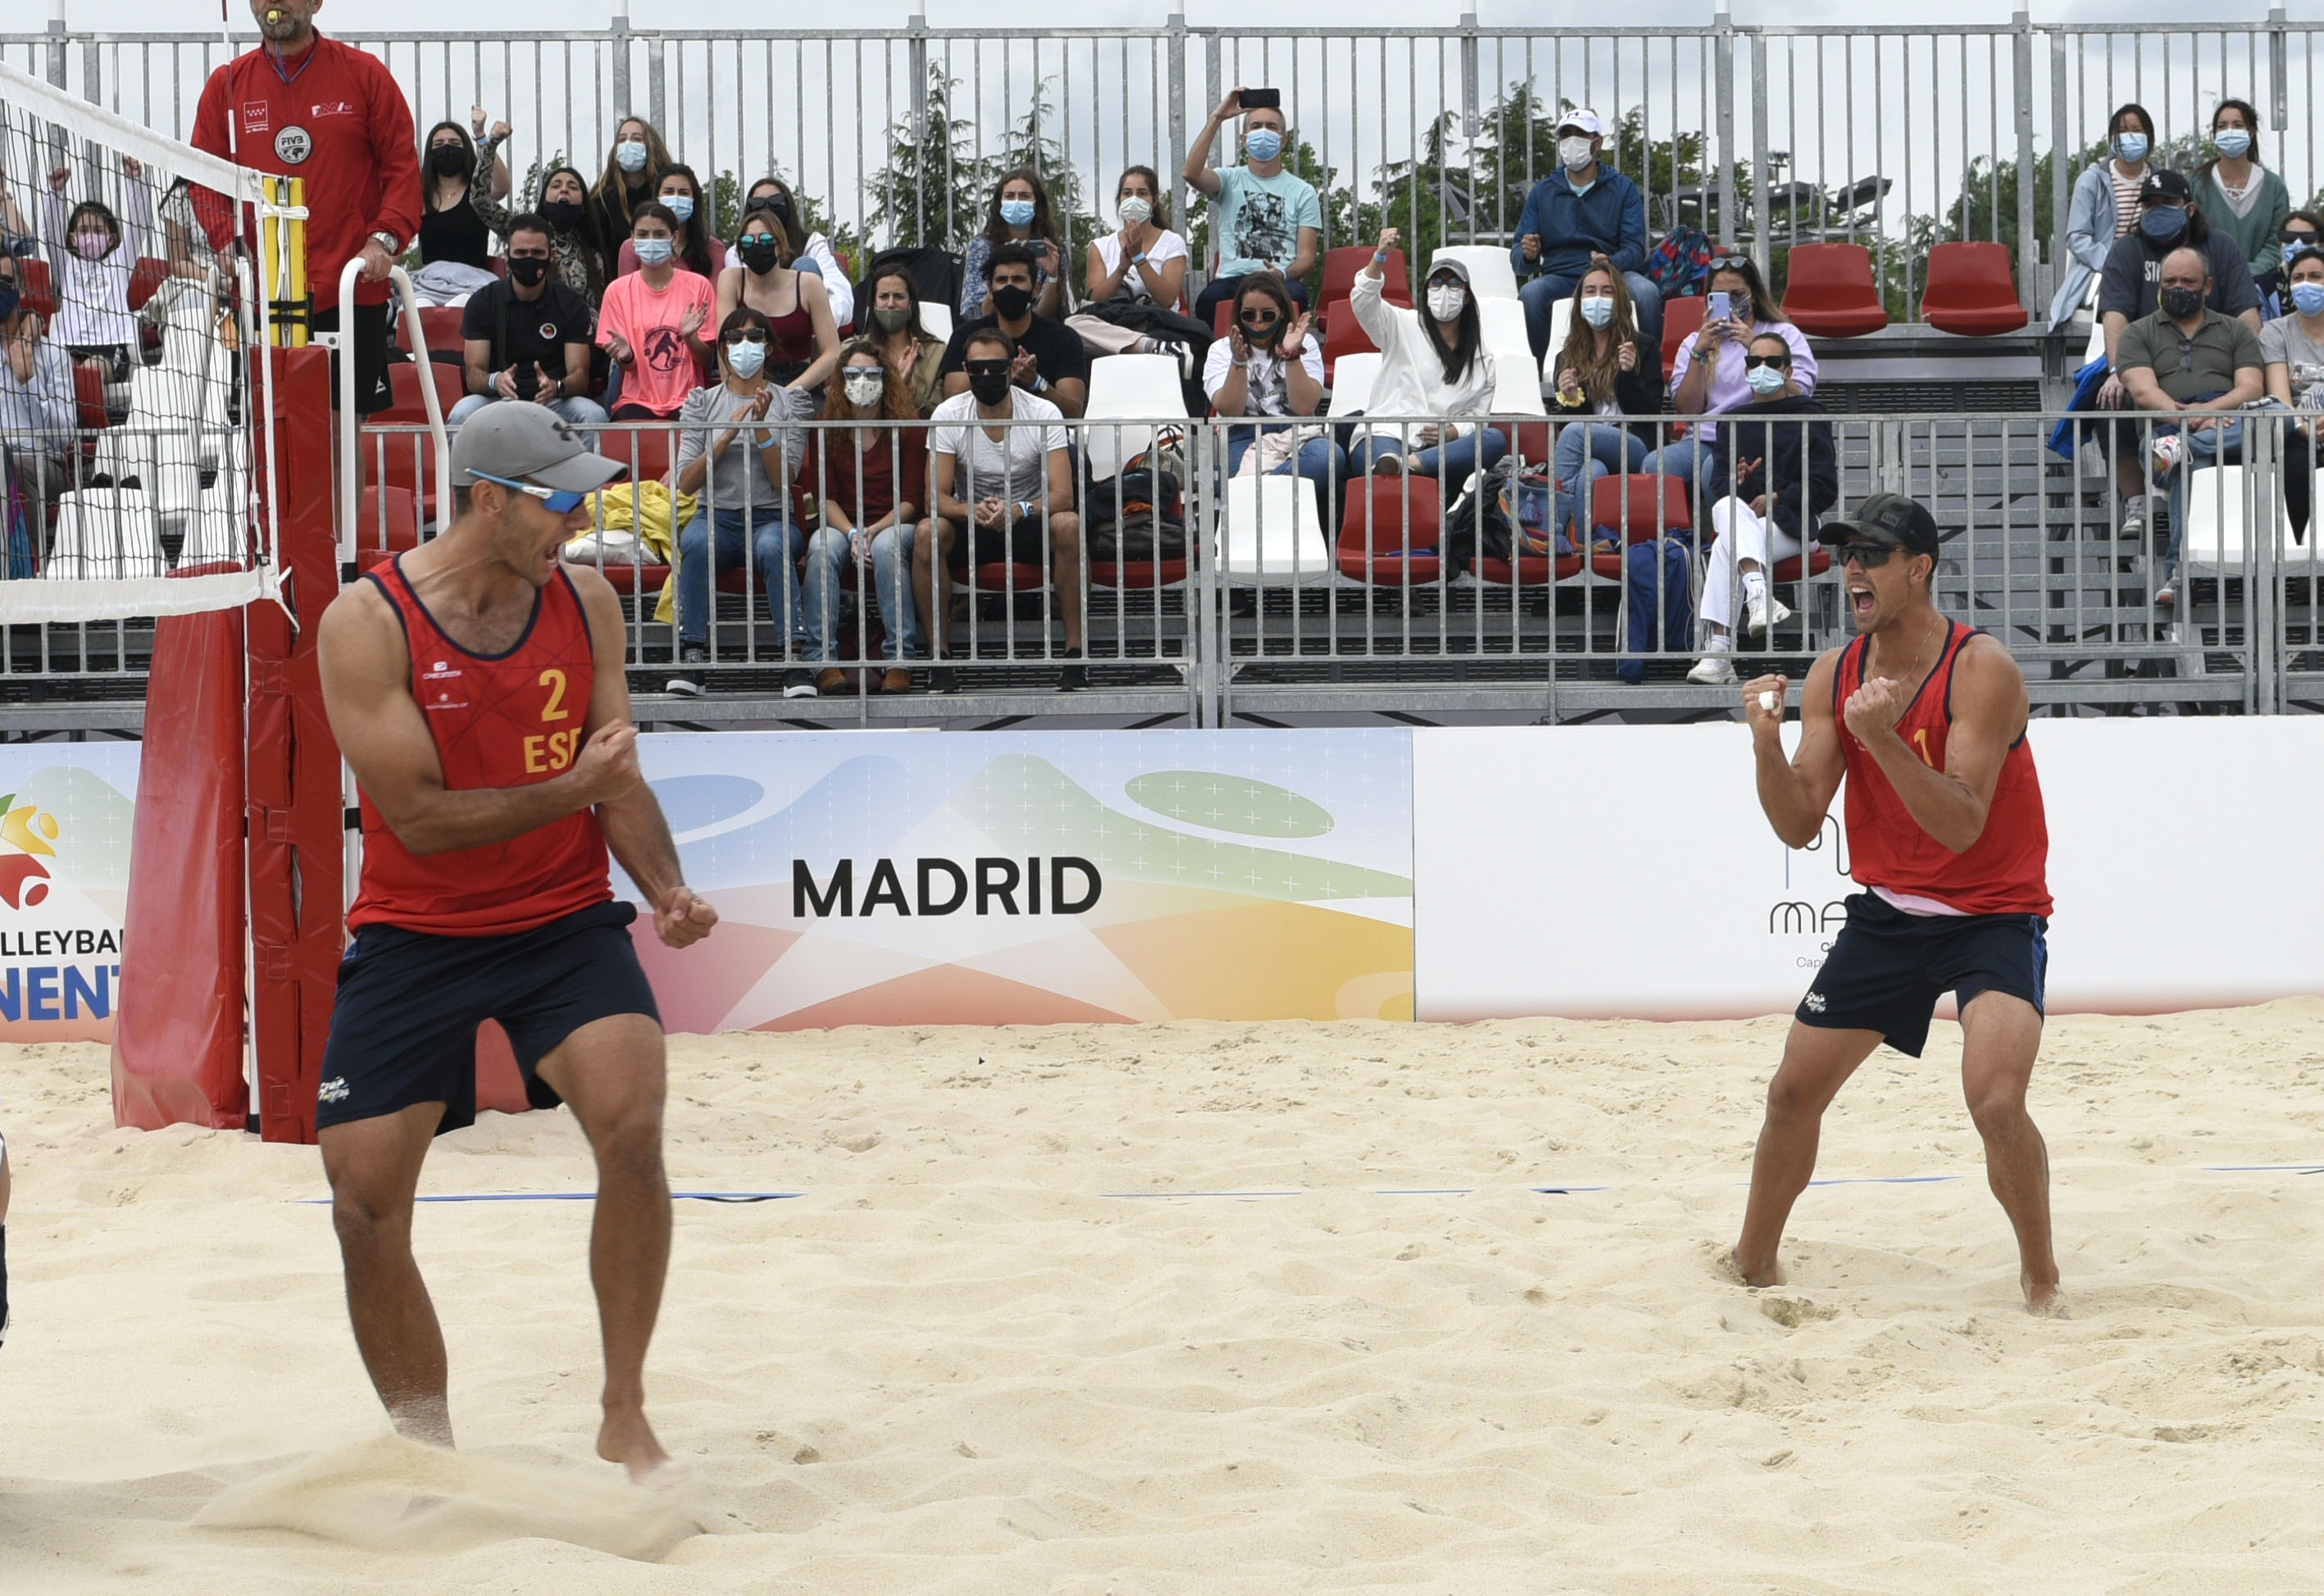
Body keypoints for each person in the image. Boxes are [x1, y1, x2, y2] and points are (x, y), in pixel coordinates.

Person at [312, 402, 718, 1482]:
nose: (580, 520)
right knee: (361, 1202)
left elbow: (614, 775)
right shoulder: (366, 621)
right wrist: (575, 789)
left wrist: (667, 889)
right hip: (415, 930)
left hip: (559, 918)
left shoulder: (585, 602)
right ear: (488, 500)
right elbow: (420, 818)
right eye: (560, 502)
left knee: (632, 1123)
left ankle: (624, 1412)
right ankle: (426, 1452)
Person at [1730, 491, 2059, 1314]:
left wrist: (1878, 737)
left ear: (1919, 569)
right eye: (1845, 555)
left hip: (1993, 912)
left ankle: (2041, 1279)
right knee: (1790, 1095)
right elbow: (1799, 823)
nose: (1852, 569)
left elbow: (1962, 825)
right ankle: (1752, 1266)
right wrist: (1766, 745)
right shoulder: (1835, 672)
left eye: (1871, 555)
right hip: (1889, 914)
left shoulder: (1981, 669)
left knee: (1995, 1100)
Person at [189, 0, 421, 418]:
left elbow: (403, 169)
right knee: (270, 433)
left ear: (316, 3)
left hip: (350, 287)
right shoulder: (227, 84)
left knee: (340, 432)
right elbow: (203, 180)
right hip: (264, 292)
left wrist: (382, 241)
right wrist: (225, 241)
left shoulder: (364, 74)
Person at [914, 325, 1085, 689]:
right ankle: (938, 658)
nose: (987, 375)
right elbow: (933, 498)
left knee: (1069, 523)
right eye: (977, 369)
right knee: (928, 532)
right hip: (973, 521)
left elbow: (1063, 496)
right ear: (965, 369)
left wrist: (1019, 509)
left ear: (1012, 369)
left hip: (1027, 519)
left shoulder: (1043, 411)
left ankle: (1075, 654)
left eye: (996, 367)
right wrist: (971, 510)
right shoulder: (949, 414)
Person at [2093, 171, 2260, 539]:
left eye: (2166, 203)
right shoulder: (2128, 250)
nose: (2156, 211)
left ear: (2189, 208)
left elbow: (2248, 315)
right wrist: (2119, 369)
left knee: (2268, 411)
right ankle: (2136, 500)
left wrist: (2248, 363)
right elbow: (2115, 315)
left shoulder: (2221, 247)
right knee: (2110, 394)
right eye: (2149, 205)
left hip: (2218, 367)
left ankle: (2181, 448)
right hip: (2150, 364)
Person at [666, 307, 821, 700]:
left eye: (754, 337)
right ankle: (692, 656)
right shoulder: (702, 402)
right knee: (695, 542)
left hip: (771, 517)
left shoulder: (792, 402)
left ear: (768, 348)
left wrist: (762, 428)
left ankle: (793, 660)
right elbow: (686, 483)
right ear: (722, 348)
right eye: (735, 338)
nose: (744, 345)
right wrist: (726, 435)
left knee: (773, 547)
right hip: (716, 517)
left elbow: (783, 479)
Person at [2115, 246, 2266, 606]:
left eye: (2188, 281)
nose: (2178, 288)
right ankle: (2183, 570)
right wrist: (2192, 421)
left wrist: (2209, 414)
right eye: (2169, 282)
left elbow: (2251, 388)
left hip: (2228, 430)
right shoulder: (2137, 333)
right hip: (2161, 440)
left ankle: (2180, 576)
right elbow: (2144, 392)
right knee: (2191, 465)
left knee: (2273, 416)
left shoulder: (2236, 331)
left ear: (2208, 286)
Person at [1687, 333, 1837, 684]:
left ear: (1788, 370)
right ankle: (1758, 594)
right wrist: (1741, 484)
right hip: (1747, 519)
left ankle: (1719, 652)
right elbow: (1720, 486)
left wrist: (1777, 498)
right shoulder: (1733, 421)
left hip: (1796, 522)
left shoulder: (1810, 415)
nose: (1762, 368)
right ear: (1746, 369)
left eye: (1772, 362)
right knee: (1727, 507)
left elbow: (1824, 488)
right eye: (1755, 362)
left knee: (1726, 544)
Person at [801, 342, 930, 693]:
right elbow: (825, 498)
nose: (862, 381)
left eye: (872, 374)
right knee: (821, 547)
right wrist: (853, 533)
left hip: (894, 523)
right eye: (852, 374)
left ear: (886, 379)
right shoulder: (826, 427)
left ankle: (899, 658)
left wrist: (872, 530)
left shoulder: (908, 427)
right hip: (844, 523)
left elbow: (912, 500)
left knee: (887, 547)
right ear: (840, 381)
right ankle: (821, 660)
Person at [1649, 253, 1817, 501]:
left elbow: (1800, 396)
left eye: (1737, 294)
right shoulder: (1694, 342)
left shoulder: (1784, 334)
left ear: (1754, 295)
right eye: (1720, 296)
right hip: (1707, 438)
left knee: (1714, 469)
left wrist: (1756, 347)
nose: (1730, 303)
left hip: (1760, 435)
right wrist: (1698, 353)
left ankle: (1726, 527)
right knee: (1656, 464)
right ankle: (1676, 528)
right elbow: (1688, 408)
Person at [1344, 233, 1504, 485]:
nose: (1444, 290)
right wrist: (1380, 256)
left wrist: (1452, 432)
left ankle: (1411, 465)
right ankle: (1402, 467)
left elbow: (1478, 417)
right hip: (1388, 433)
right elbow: (1364, 301)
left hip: (1440, 451)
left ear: (1466, 296)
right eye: (1436, 283)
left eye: (1454, 283)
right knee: (1384, 466)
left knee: (1494, 440)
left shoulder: (1482, 357)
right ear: (1427, 292)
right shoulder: (1401, 323)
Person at [1513, 107, 1662, 363]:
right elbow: (1519, 258)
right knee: (1531, 294)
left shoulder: (1622, 188)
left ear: (1598, 142)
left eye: (1581, 134)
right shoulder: (1543, 191)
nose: (1572, 141)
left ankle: (1649, 372)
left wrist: (1611, 262)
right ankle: (1536, 376)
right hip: (1561, 275)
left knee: (1646, 293)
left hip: (1613, 274)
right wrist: (1528, 254)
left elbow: (1636, 248)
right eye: (1565, 135)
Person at [1204, 271, 1339, 525]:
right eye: (1249, 315)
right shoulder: (1220, 350)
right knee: (1239, 474)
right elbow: (1230, 410)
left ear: (1281, 313)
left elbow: (1305, 407)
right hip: (1243, 436)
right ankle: (1260, 494)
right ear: (1238, 315)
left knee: (1329, 457)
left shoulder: (1305, 343)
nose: (1258, 323)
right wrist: (1238, 363)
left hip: (1297, 433)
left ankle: (1252, 493)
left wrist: (1292, 355)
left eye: (1267, 315)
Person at [447, 215, 605, 429]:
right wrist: (496, 381)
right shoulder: (483, 302)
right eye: (521, 253)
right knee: (461, 414)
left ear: (552, 256)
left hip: (554, 401)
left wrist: (557, 386)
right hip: (497, 399)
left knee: (594, 415)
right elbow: (474, 375)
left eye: (537, 253)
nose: (529, 259)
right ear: (507, 256)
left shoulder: (571, 304)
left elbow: (580, 376)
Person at [1548, 263, 1664, 546]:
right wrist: (1571, 399)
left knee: (1576, 431)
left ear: (1620, 299)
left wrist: (1629, 375)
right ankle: (1585, 548)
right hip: (1591, 447)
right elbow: (1570, 419)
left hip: (1634, 443)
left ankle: (1551, 525)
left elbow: (1651, 411)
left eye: (1607, 291)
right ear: (1580, 301)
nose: (1597, 298)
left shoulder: (1643, 347)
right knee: (1593, 471)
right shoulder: (1567, 355)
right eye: (1590, 291)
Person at [1184, 88, 1321, 325]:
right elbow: (1191, 173)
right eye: (1256, 126)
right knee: (1208, 300)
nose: (1263, 132)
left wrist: (1283, 273)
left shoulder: (1303, 192)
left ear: (1283, 140)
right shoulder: (1229, 179)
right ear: (1244, 139)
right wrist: (1216, 118)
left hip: (1278, 279)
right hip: (1232, 278)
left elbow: (1306, 258)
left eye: (1272, 126)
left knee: (1295, 296)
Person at [939, 244, 1089, 419]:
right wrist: (993, 375)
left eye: (1018, 279)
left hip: (1041, 434)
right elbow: (953, 402)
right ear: (991, 289)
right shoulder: (966, 336)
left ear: (1036, 289)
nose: (1009, 287)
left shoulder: (1063, 338)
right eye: (1002, 280)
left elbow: (1073, 412)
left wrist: (1036, 382)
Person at [594, 204, 714, 421]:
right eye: (643, 234)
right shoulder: (617, 291)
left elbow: (706, 360)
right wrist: (626, 355)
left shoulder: (699, 286)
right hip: (635, 401)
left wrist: (690, 338)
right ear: (632, 239)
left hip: (688, 401)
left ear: (674, 238)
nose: (651, 241)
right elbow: (628, 366)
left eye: (659, 234)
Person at [42, 161, 152, 392]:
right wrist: (55, 194)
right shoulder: (66, 264)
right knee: (61, 376)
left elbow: (139, 225)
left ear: (111, 239)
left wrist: (135, 181)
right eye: (84, 230)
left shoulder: (120, 261)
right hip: (68, 346)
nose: (91, 236)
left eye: (98, 230)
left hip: (108, 349)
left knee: (89, 373)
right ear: (73, 239)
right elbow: (50, 234)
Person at [472, 119, 608, 304]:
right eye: (556, 185)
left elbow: (594, 309)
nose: (564, 190)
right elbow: (479, 200)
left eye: (572, 187)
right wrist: (490, 144)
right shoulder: (521, 231)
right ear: (544, 199)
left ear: (583, 201)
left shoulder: (593, 257)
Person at [1069, 166, 1196, 358]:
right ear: (1119, 200)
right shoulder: (1100, 246)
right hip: (1112, 325)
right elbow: (1094, 301)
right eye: (1127, 193)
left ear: (1154, 200)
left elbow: (1167, 299)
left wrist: (1139, 258)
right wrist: (1122, 268)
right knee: (1072, 325)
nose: (1134, 199)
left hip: (1157, 323)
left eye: (1142, 193)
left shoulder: (1172, 242)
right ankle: (1149, 346)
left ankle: (1150, 344)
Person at [2048, 101, 2155, 326]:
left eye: (2136, 130)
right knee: (2119, 300)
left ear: (2149, 137)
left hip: (2151, 270)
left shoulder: (2159, 181)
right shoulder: (2091, 180)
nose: (2129, 137)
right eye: (2122, 131)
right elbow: (2076, 237)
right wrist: (2114, 262)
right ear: (2112, 139)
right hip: (2101, 270)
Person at [713, 211, 839, 393]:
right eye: (748, 241)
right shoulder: (731, 279)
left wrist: (785, 394)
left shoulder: (809, 284)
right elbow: (723, 346)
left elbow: (832, 353)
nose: (756, 246)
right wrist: (732, 393)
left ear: (780, 246)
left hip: (799, 384)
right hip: (747, 383)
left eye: (765, 239)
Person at [722, 180, 854, 331]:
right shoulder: (737, 253)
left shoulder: (811, 244)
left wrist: (818, 317)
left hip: (805, 327)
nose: (767, 210)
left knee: (805, 265)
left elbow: (842, 299)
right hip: (757, 332)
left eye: (775, 202)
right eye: (758, 204)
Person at [0, 254, 75, 517]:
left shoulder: (53, 353)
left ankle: (28, 547)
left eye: (4, 283)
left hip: (43, 464)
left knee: (15, 468)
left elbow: (64, 435)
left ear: (21, 289)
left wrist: (28, 381)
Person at [2259, 240, 2324, 542]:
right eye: (2298, 278)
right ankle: (2301, 555)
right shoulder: (2276, 331)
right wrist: (2303, 428)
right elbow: (2280, 397)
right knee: (2295, 465)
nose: (2305, 284)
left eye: (2315, 276)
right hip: (2297, 431)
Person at [2194, 99, 2289, 290]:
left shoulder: (2274, 187)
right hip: (2209, 287)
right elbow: (2192, 239)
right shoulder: (2197, 184)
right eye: (2222, 126)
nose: (2229, 131)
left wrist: (2247, 274)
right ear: (2214, 134)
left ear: (2251, 132)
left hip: (2259, 287)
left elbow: (2275, 244)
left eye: (2237, 125)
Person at [961, 170, 1068, 321]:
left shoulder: (1052, 251)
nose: (1017, 202)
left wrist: (1053, 277)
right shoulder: (981, 246)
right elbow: (978, 314)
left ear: (1037, 204)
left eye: (1024, 196)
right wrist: (1000, 267)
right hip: (990, 330)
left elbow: (1046, 316)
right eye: (1010, 196)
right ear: (999, 203)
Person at [416, 111, 508, 273]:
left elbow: (502, 187)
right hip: (430, 283)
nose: (447, 147)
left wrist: (482, 138)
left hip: (475, 282)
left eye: (454, 143)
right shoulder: (421, 198)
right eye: (439, 144)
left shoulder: (479, 193)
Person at [858, 265, 948, 417]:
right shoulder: (853, 349)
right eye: (883, 296)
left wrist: (909, 390)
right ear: (873, 303)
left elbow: (941, 413)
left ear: (911, 302)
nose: (891, 304)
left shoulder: (938, 352)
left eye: (899, 296)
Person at [586, 116, 674, 270]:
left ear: (650, 145)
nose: (628, 144)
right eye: (622, 140)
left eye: (636, 139)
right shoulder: (602, 199)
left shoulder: (667, 193)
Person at [615, 164, 722, 284]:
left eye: (683, 193)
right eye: (669, 192)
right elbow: (626, 291)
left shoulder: (713, 248)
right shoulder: (632, 247)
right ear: (657, 197)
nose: (676, 198)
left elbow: (713, 293)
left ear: (694, 200)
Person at [2256, 209, 2320, 320]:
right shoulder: (2263, 285)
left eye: (2308, 238)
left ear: (2320, 244)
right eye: (2289, 238)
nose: (2297, 243)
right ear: (2280, 243)